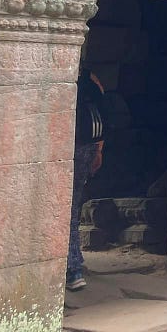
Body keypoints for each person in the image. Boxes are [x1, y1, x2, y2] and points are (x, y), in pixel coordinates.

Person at [67, 67, 106, 291]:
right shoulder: (92, 79)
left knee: (66, 209)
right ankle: (74, 264)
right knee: (73, 206)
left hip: (71, 145)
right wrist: (99, 150)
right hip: (88, 147)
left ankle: (72, 269)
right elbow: (103, 116)